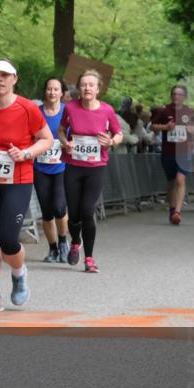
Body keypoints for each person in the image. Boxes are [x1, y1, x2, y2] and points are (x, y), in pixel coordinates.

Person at [0, 59, 54, 314]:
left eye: (5, 76)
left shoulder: (28, 108)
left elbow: (46, 140)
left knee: (8, 239)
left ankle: (18, 271)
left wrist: (25, 153)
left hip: (18, 180)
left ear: (15, 79)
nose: (0, 80)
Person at [58, 70, 124, 273]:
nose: (87, 88)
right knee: (74, 212)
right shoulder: (70, 108)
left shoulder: (106, 110)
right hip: (73, 166)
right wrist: (65, 143)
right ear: (79, 87)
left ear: (98, 89)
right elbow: (61, 129)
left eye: (91, 85)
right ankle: (75, 242)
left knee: (87, 211)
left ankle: (89, 258)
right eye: (83, 84)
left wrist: (111, 141)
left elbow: (119, 133)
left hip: (96, 167)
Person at [150, 85, 194, 225]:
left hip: (185, 151)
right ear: (171, 95)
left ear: (184, 97)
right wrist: (166, 127)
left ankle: (178, 211)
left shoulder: (189, 110)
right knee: (171, 182)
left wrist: (192, 128)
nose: (176, 96)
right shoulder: (164, 110)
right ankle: (172, 210)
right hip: (168, 152)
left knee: (180, 180)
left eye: (179, 94)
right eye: (174, 94)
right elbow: (153, 126)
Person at [33, 77, 69, 263]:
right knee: (47, 211)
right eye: (49, 89)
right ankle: (53, 248)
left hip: (62, 167)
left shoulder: (67, 112)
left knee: (59, 207)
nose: (52, 92)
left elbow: (76, 135)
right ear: (45, 91)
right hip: (40, 166)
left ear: (62, 92)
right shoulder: (37, 112)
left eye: (56, 89)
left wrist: (69, 145)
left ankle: (63, 241)